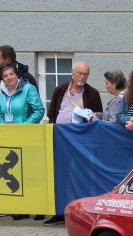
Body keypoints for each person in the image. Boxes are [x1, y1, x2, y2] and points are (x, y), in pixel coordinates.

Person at [45, 61, 103, 225]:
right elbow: (52, 115)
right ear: (72, 72)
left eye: (85, 74)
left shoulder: (92, 93)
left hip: (81, 142)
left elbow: (98, 118)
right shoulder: (61, 89)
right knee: (60, 174)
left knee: (79, 175)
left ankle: (80, 212)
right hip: (61, 139)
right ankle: (59, 211)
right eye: (79, 73)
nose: (82, 77)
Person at [0, 64, 46, 221]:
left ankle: (39, 208)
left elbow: (39, 110)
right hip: (11, 138)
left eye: (11, 74)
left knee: (32, 174)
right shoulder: (1, 92)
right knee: (18, 173)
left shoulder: (28, 89)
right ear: (3, 79)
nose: (9, 77)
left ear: (16, 75)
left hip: (29, 137)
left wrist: (24, 126)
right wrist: (4, 126)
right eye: (5, 76)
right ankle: (22, 209)